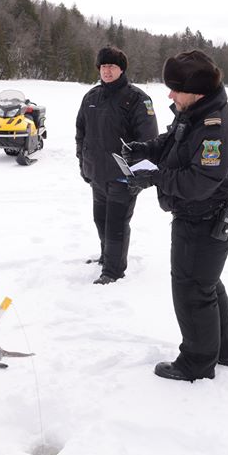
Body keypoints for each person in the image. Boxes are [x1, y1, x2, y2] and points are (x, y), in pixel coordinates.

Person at [122, 50, 228, 381]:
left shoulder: (214, 129)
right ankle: (223, 351)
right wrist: (146, 150)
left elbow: (200, 182)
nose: (170, 95)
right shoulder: (194, 113)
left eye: (176, 88)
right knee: (206, 284)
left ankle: (197, 362)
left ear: (197, 89)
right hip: (203, 218)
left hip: (204, 220)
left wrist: (155, 177)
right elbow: (173, 141)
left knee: (192, 290)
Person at [76, 46, 159, 284]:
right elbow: (81, 132)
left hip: (123, 176)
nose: (107, 71)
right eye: (103, 66)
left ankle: (113, 271)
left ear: (121, 69)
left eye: (112, 66)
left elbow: (149, 140)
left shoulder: (138, 99)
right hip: (97, 174)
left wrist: (139, 176)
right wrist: (83, 163)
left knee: (116, 224)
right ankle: (106, 257)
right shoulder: (91, 97)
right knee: (100, 219)